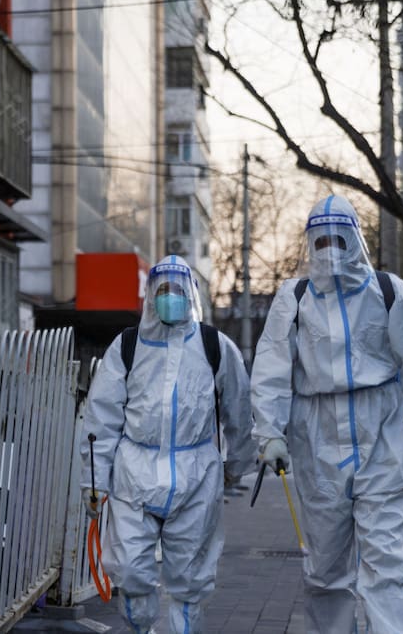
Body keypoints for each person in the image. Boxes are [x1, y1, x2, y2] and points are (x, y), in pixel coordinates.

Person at [251, 195, 403, 633]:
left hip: (382, 435)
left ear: (355, 238)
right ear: (309, 244)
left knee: (389, 564)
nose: (330, 250)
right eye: (320, 241)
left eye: (338, 239)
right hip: (317, 436)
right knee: (325, 570)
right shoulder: (294, 298)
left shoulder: (386, 291)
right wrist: (269, 433)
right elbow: (270, 367)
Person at [80, 255, 254, 634]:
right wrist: (93, 481)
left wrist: (237, 464)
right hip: (133, 475)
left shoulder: (214, 346)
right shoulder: (127, 346)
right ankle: (141, 628)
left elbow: (238, 409)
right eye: (162, 290)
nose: (169, 297)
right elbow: (101, 419)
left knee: (190, 578)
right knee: (129, 569)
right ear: (149, 296)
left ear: (189, 294)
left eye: (177, 289)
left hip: (196, 475)